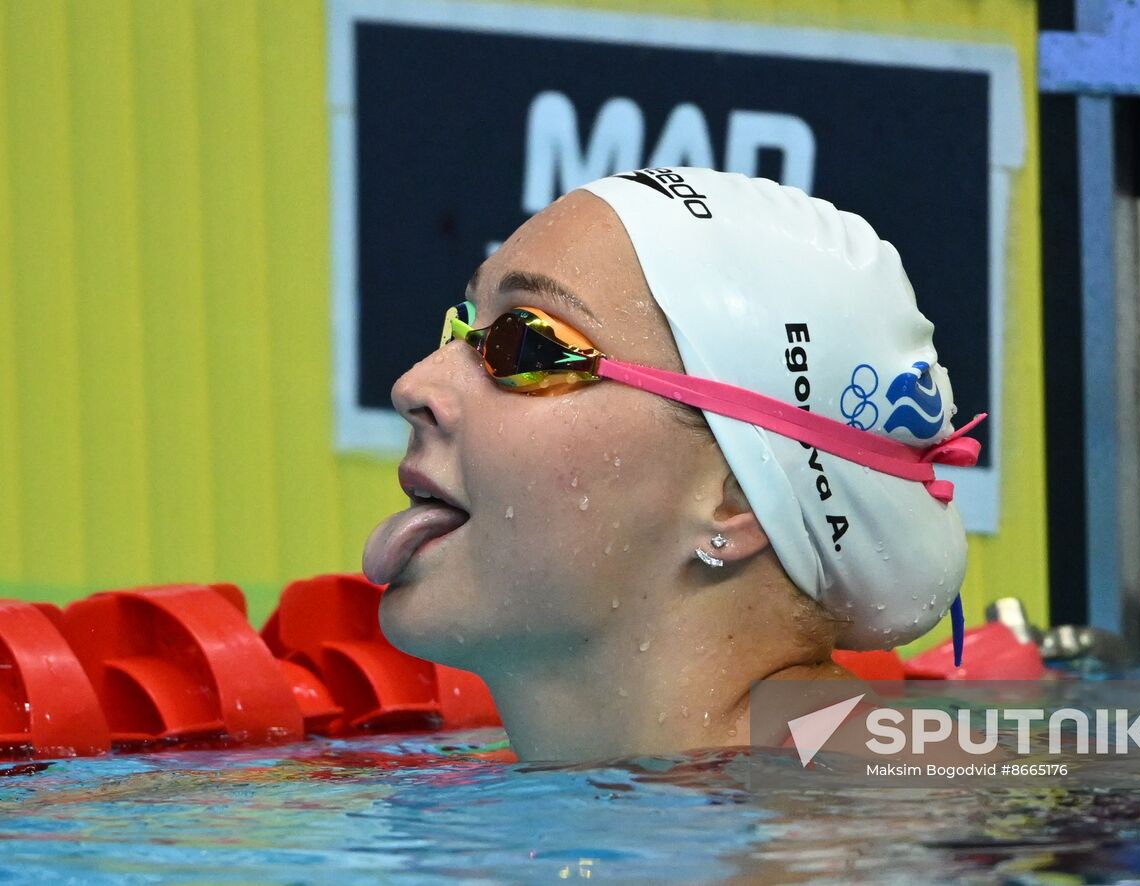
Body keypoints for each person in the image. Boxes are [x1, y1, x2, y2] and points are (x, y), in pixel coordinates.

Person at [363, 168, 981, 761]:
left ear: (736, 498)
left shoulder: (870, 820)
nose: (413, 385)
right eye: (464, 328)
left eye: (527, 345)